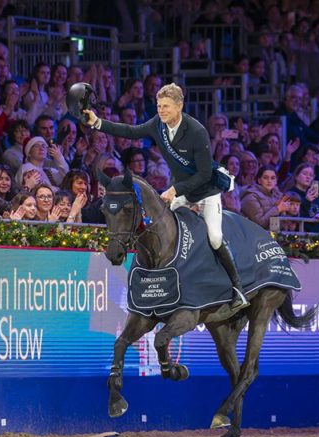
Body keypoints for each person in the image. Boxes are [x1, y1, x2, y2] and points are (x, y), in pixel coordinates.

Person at [82, 82, 247, 310]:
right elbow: (130, 131)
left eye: (166, 106)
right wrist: (98, 122)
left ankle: (237, 287)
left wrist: (175, 190)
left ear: (179, 106)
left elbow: (204, 174)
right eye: (159, 106)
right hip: (180, 191)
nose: (161, 111)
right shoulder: (158, 125)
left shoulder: (197, 131)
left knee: (215, 237)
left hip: (205, 192)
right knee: (160, 226)